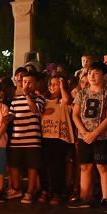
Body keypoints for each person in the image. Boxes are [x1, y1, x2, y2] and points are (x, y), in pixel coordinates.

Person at [69, 62, 107, 213]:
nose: (91, 76)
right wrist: (84, 133)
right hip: (84, 136)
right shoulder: (82, 94)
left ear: (104, 75)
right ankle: (84, 198)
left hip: (102, 137)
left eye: (96, 73)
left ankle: (106, 199)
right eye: (90, 73)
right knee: (85, 166)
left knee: (103, 167)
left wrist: (94, 133)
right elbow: (75, 115)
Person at [8, 72, 45, 204]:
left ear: (35, 84)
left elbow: (35, 110)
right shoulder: (15, 100)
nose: (26, 85)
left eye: (29, 82)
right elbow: (11, 115)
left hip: (32, 139)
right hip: (17, 138)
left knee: (32, 167)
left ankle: (29, 192)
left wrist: (27, 96)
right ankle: (16, 188)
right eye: (24, 82)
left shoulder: (39, 99)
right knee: (13, 165)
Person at [41, 75, 74, 205]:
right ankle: (46, 189)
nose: (53, 87)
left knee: (58, 165)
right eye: (51, 84)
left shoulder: (64, 100)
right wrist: (43, 114)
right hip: (45, 136)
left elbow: (67, 100)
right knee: (45, 165)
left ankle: (57, 192)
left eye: (56, 84)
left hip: (59, 137)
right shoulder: (44, 100)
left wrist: (62, 87)